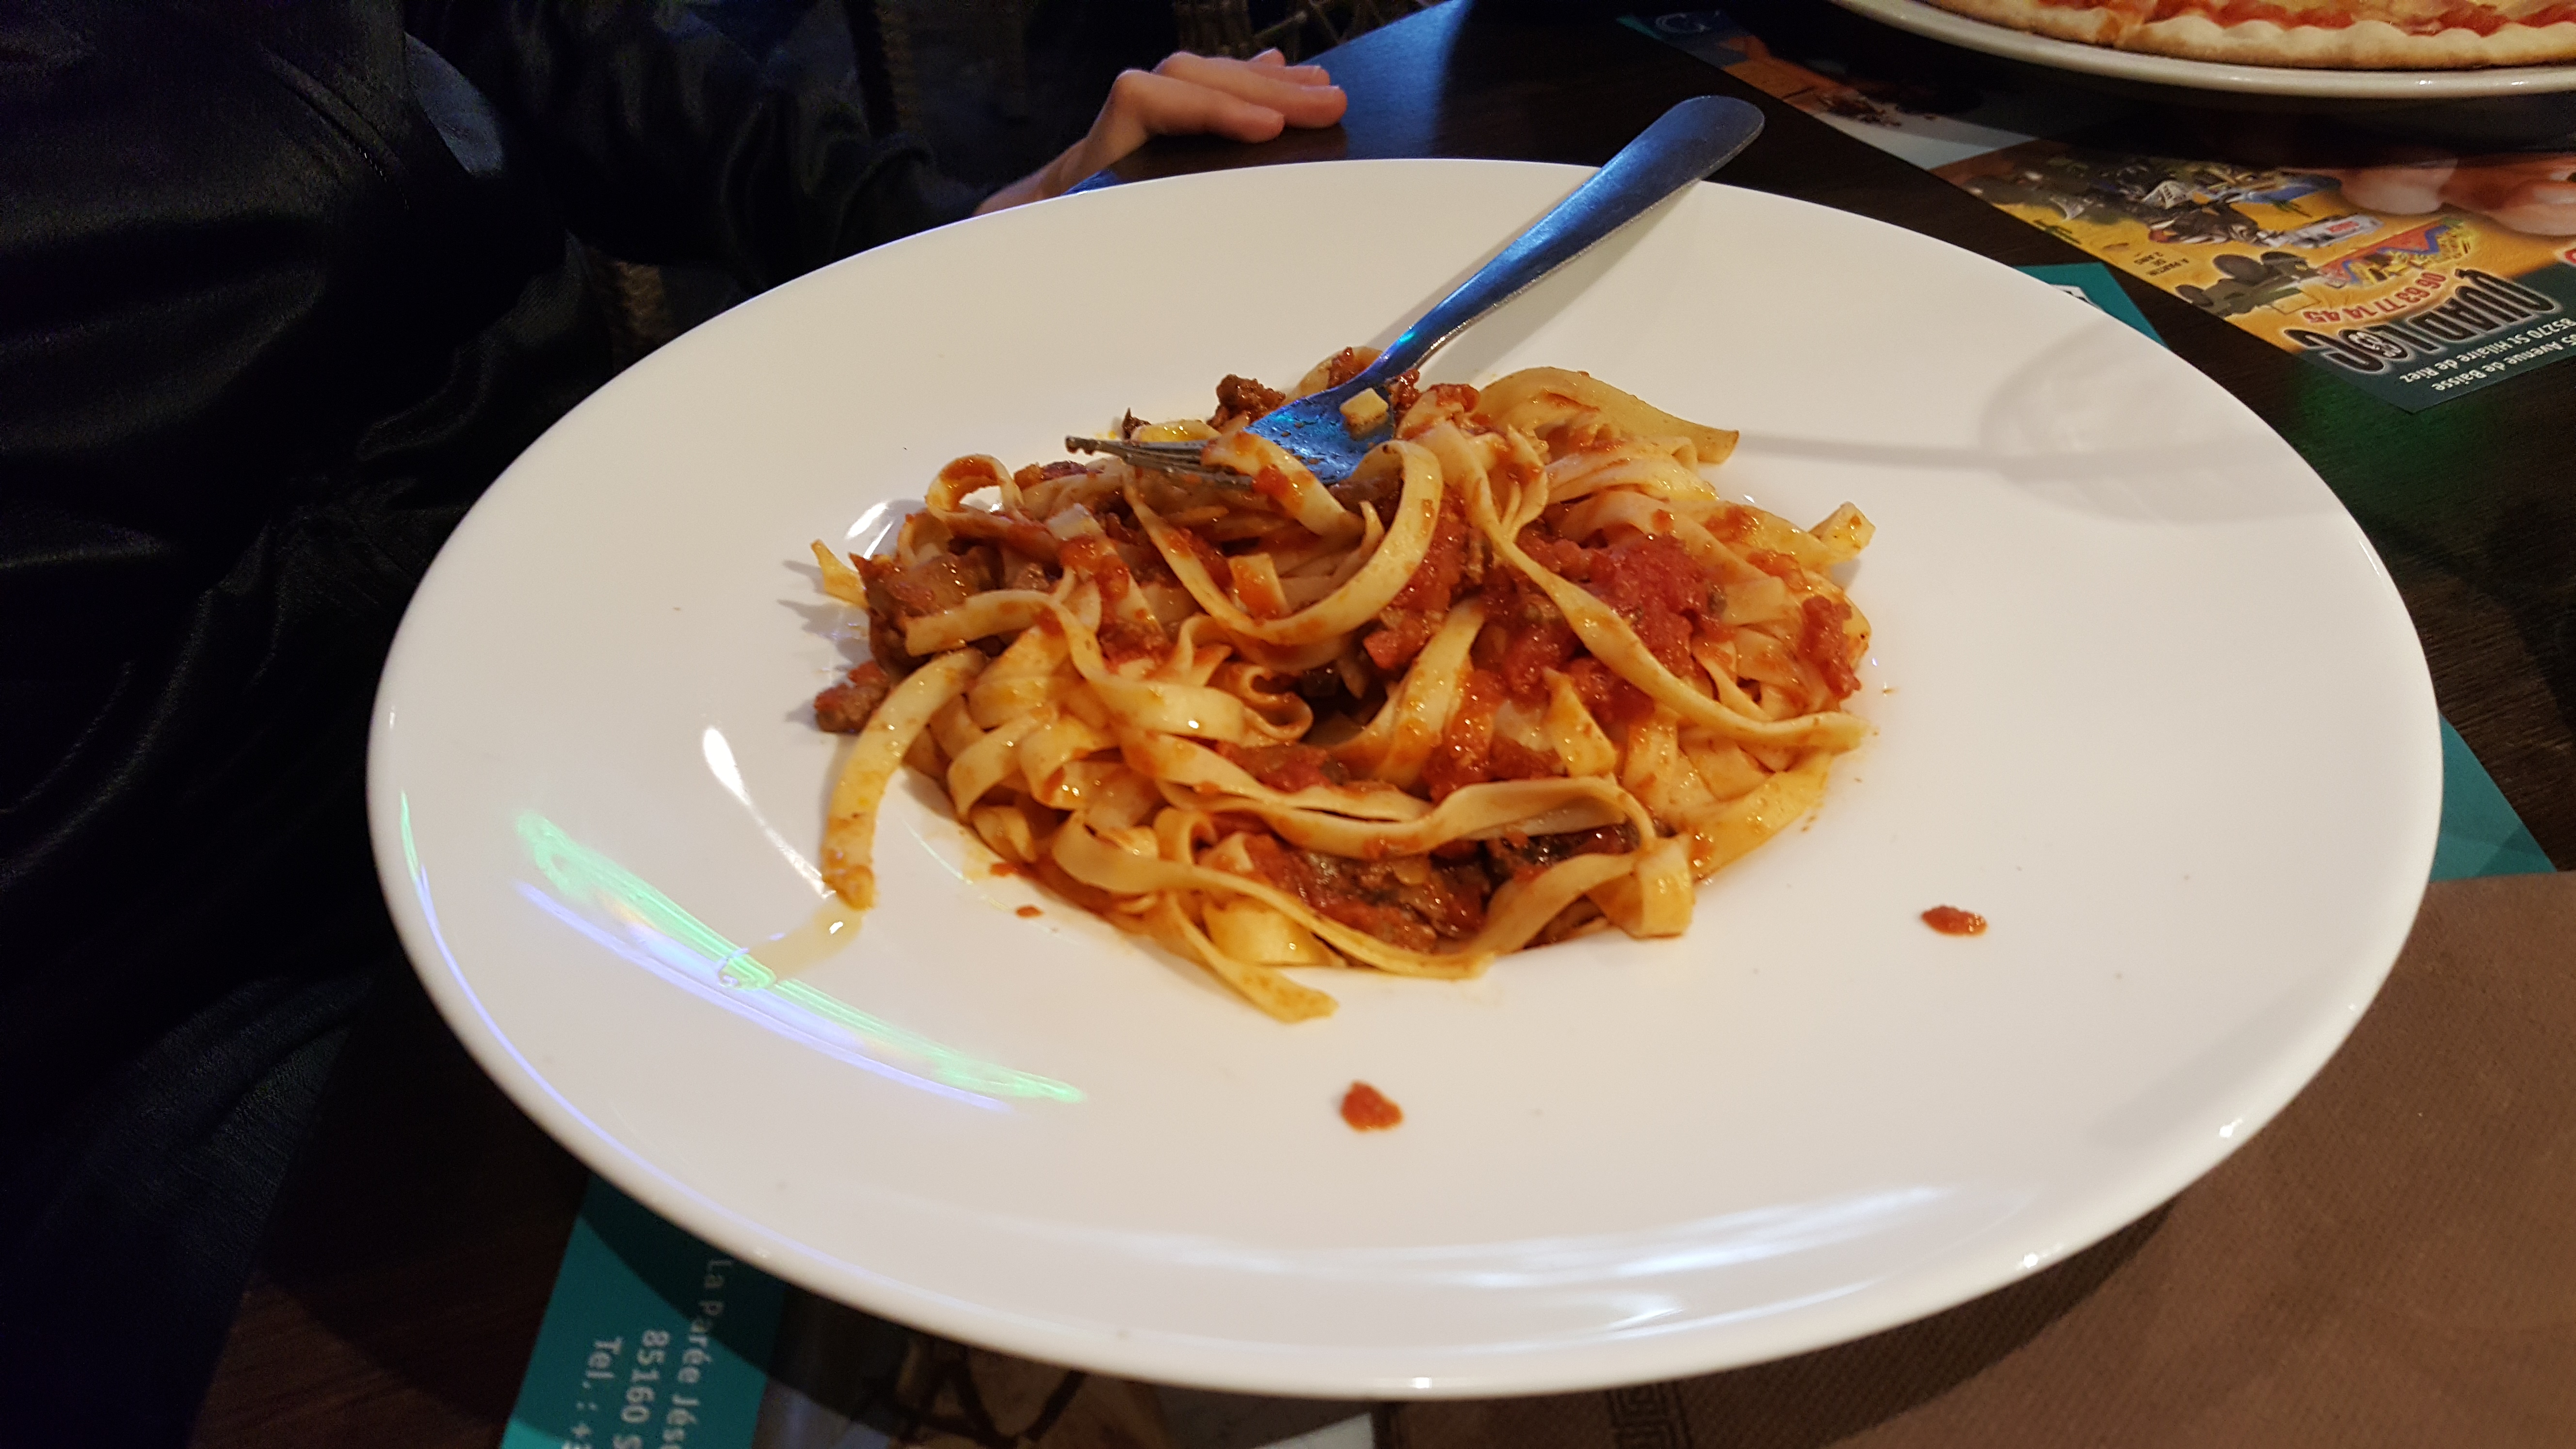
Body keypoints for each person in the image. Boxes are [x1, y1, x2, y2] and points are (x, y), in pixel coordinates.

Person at [0, 3, 1341, 1444]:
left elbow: (512, 40)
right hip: (183, 978)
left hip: (620, 645)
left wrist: (937, 239)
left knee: (1197, 1192)